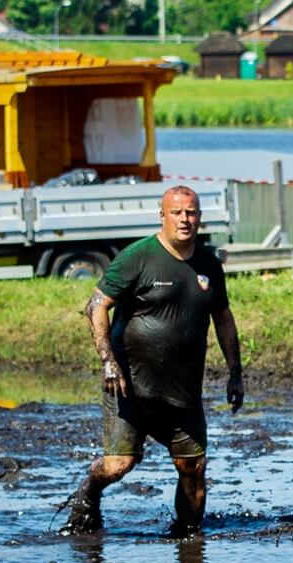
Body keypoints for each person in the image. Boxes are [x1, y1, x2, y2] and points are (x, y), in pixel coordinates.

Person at [60, 185, 242, 539]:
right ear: (163, 216)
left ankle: (189, 541)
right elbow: (95, 306)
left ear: (199, 217)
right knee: (118, 466)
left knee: (193, 466)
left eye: (191, 213)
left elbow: (223, 320)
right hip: (129, 386)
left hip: (182, 392)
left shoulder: (208, 264)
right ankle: (89, 493)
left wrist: (235, 373)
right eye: (177, 213)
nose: (184, 220)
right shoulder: (138, 257)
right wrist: (107, 361)